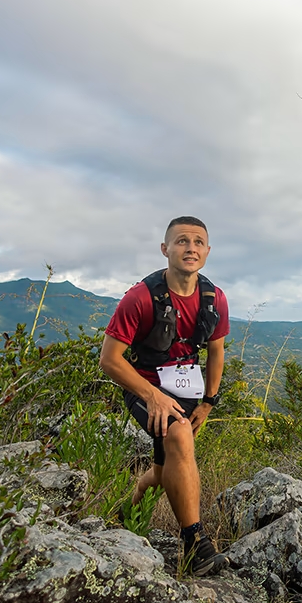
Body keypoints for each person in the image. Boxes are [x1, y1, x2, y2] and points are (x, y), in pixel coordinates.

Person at [99, 215, 230, 576]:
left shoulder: (214, 298)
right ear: (165, 249)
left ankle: (126, 513)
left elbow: (216, 352)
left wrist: (208, 402)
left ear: (207, 251)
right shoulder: (141, 298)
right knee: (178, 435)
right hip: (142, 385)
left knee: (164, 468)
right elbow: (110, 361)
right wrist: (152, 396)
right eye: (182, 241)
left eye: (198, 242)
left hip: (186, 390)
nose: (191, 248)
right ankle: (196, 544)